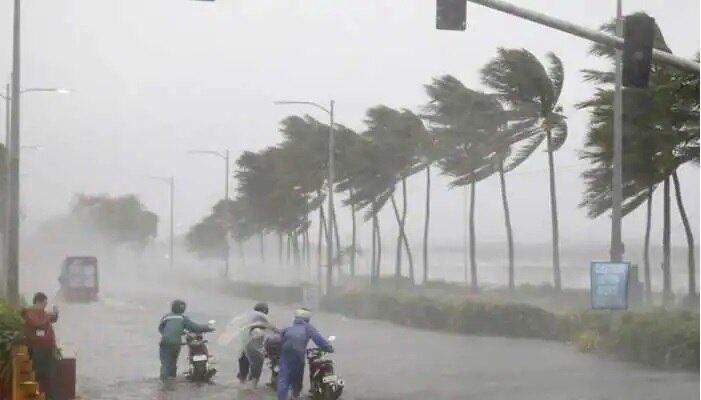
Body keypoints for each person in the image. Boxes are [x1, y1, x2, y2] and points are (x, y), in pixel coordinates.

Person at [277, 308, 333, 400]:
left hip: (285, 352)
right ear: (308, 318)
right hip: (298, 353)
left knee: (283, 377)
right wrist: (329, 348)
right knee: (297, 376)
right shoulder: (309, 328)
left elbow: (281, 340)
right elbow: (319, 340)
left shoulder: (287, 327)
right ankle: (295, 396)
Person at [158, 299, 214, 382]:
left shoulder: (166, 317)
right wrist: (208, 328)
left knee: (165, 363)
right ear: (183, 309)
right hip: (176, 343)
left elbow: (160, 328)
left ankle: (164, 382)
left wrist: (167, 335)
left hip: (165, 342)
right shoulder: (182, 318)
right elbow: (196, 327)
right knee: (173, 362)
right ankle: (172, 379)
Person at [22, 292, 59, 400]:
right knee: (38, 375)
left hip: (48, 349)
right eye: (44, 303)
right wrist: (48, 316)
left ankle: (49, 397)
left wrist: (55, 313)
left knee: (49, 376)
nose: (45, 306)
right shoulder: (30, 313)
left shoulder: (43, 313)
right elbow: (39, 324)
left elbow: (53, 318)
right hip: (37, 349)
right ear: (37, 302)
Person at [237, 302, 279, 388]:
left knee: (243, 373)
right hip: (255, 350)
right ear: (265, 311)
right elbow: (274, 329)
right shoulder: (263, 320)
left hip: (243, 349)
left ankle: (241, 390)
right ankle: (252, 390)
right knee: (255, 373)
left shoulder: (248, 319)